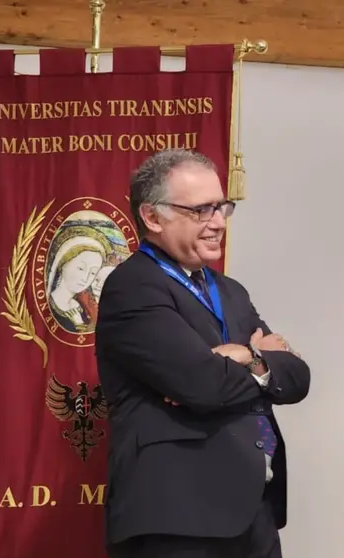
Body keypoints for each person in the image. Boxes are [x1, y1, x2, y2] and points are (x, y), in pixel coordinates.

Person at [96, 149, 311, 558]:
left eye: (221, 207)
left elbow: (297, 377)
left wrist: (243, 356)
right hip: (178, 516)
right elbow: (205, 385)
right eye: (200, 210)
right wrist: (255, 358)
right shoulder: (133, 287)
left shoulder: (230, 290)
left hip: (254, 511)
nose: (217, 222)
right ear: (153, 217)